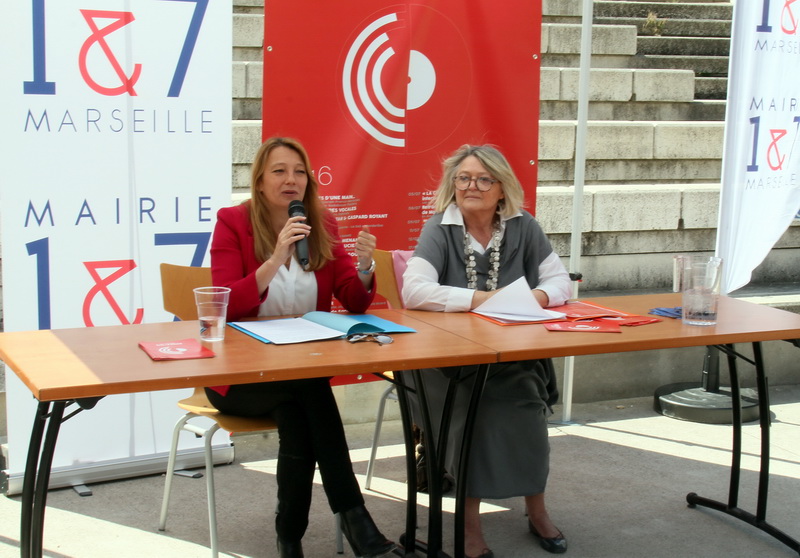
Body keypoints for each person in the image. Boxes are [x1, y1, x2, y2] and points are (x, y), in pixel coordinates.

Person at [207, 137, 396, 558]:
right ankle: (356, 521)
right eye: (279, 171)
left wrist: (365, 267)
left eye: (299, 171)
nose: (291, 180)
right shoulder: (233, 223)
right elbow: (224, 305)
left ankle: (289, 537)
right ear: (258, 182)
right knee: (311, 392)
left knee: (300, 409)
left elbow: (353, 299)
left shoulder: (320, 224)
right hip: (239, 376)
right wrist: (274, 259)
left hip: (296, 373)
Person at [402, 144, 572, 558]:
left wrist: (534, 298)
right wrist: (483, 300)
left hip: (508, 358)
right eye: (463, 178)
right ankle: (469, 527)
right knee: (474, 415)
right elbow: (413, 290)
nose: (470, 186)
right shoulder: (439, 228)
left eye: (482, 179)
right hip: (444, 365)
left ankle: (537, 511)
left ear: (501, 188)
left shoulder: (523, 226)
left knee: (525, 408)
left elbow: (562, 283)